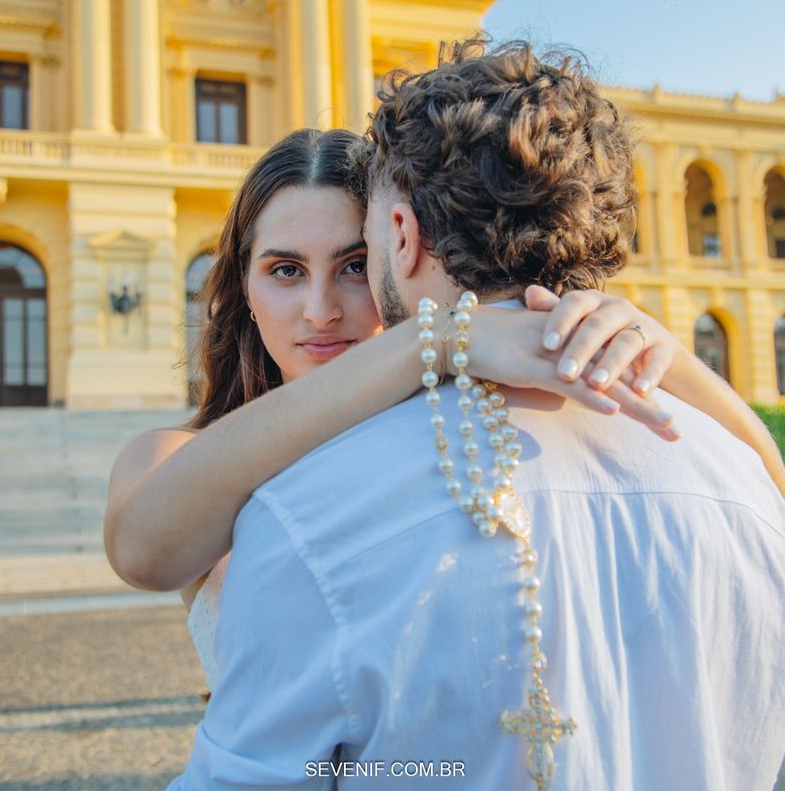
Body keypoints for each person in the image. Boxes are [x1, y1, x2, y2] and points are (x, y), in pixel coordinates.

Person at [163, 41, 785, 790]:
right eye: (286, 269)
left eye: (357, 261)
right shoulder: (741, 491)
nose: (323, 309)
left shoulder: (308, 517)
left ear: (398, 234)